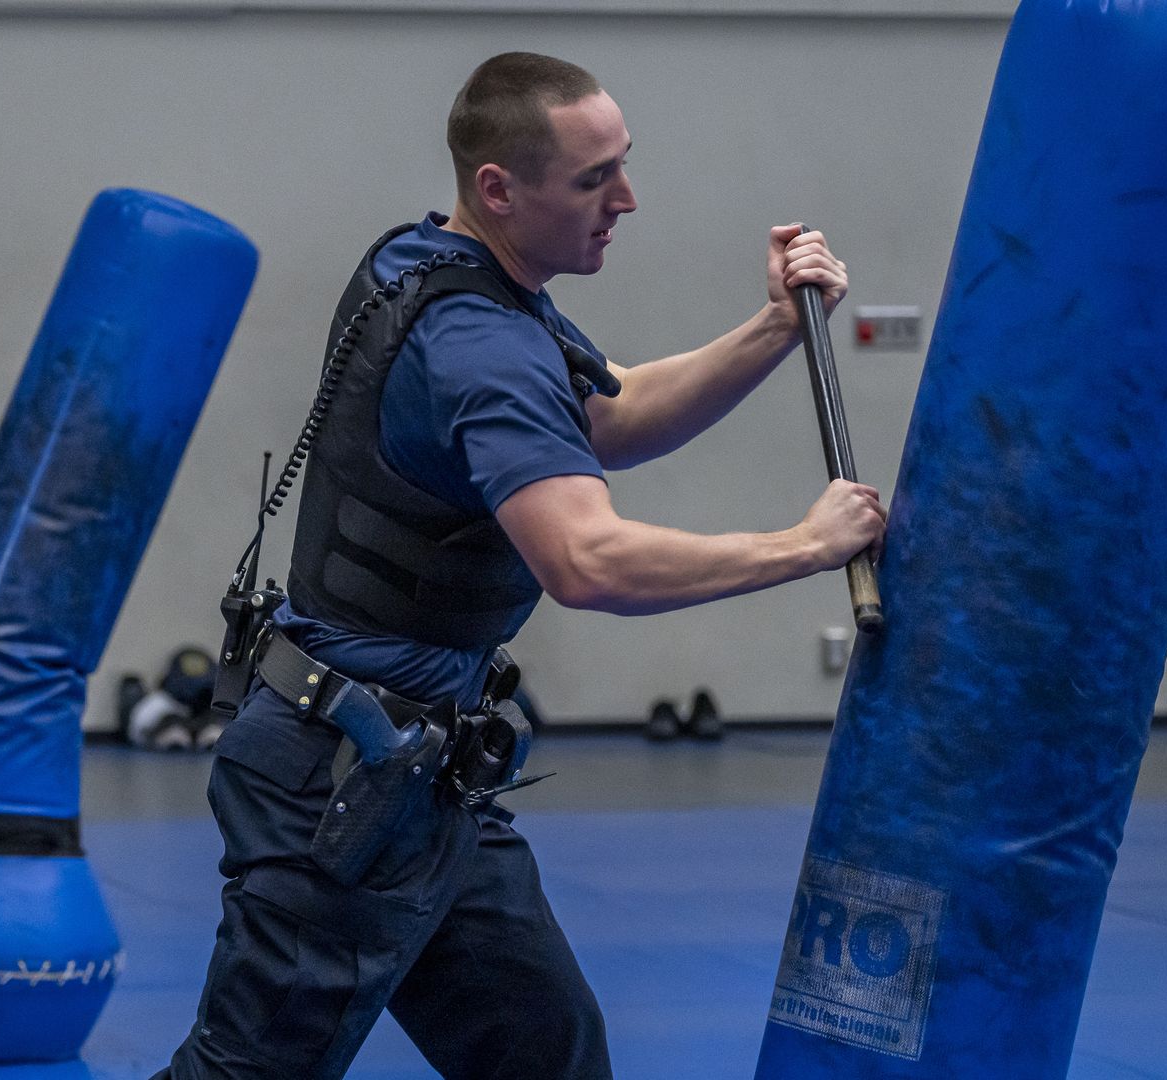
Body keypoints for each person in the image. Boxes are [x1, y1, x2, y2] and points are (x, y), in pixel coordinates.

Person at [156, 53, 884, 1079]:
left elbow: (609, 415)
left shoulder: (442, 268)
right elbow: (586, 561)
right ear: (499, 188)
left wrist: (772, 326)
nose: (626, 200)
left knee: (548, 1054)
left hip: (424, 780)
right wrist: (804, 548)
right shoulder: (479, 344)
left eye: (622, 167)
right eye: (595, 180)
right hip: (340, 793)